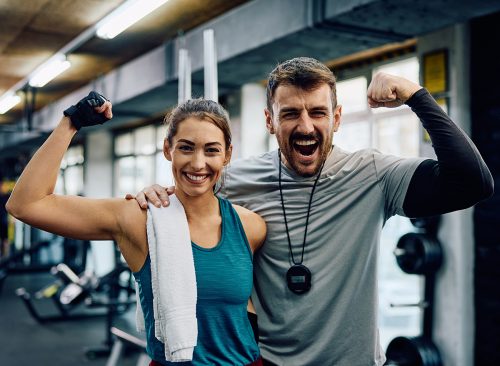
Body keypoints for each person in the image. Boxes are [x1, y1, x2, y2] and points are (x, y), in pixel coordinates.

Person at [132, 57, 494, 365]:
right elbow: (187, 197)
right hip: (267, 362)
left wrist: (416, 96)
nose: (305, 126)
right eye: (290, 113)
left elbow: (473, 182)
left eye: (318, 112)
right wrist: (159, 195)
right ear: (270, 120)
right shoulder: (234, 180)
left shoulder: (373, 174)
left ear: (336, 118)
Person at [5, 95, 267, 366]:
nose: (198, 164)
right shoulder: (138, 218)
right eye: (186, 148)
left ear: (227, 155)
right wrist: (71, 122)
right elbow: (26, 204)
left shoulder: (250, 226)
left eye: (211, 150)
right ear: (168, 150)